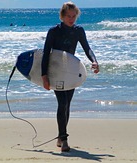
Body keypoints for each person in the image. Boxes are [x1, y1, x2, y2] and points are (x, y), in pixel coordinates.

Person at [41, 1, 99, 152]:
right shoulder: (53, 31)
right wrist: (44, 76)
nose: (71, 19)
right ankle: (64, 140)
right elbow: (46, 53)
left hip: (71, 72)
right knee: (63, 103)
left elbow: (87, 48)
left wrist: (94, 61)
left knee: (67, 105)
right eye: (68, 16)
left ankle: (60, 136)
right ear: (62, 16)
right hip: (56, 71)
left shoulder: (78, 31)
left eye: (74, 16)